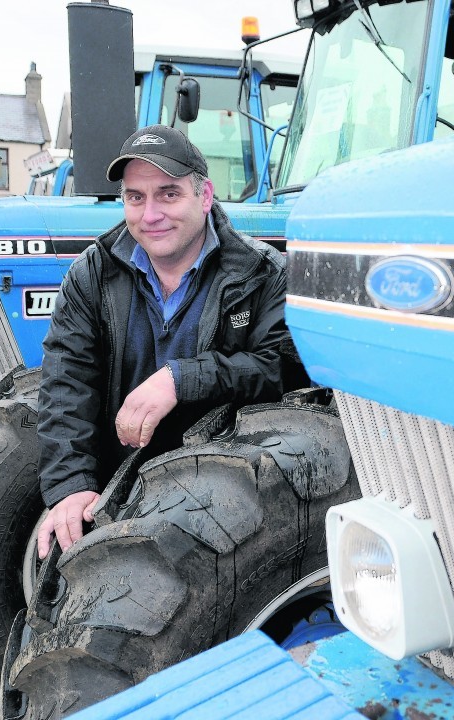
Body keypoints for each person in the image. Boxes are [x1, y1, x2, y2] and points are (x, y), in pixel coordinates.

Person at [35, 124, 290, 559]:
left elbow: (285, 369)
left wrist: (182, 380)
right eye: (136, 197)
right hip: (120, 483)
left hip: (230, 496)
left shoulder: (262, 274)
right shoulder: (92, 275)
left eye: (168, 194)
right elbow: (66, 383)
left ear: (204, 196)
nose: (149, 214)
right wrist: (72, 486)